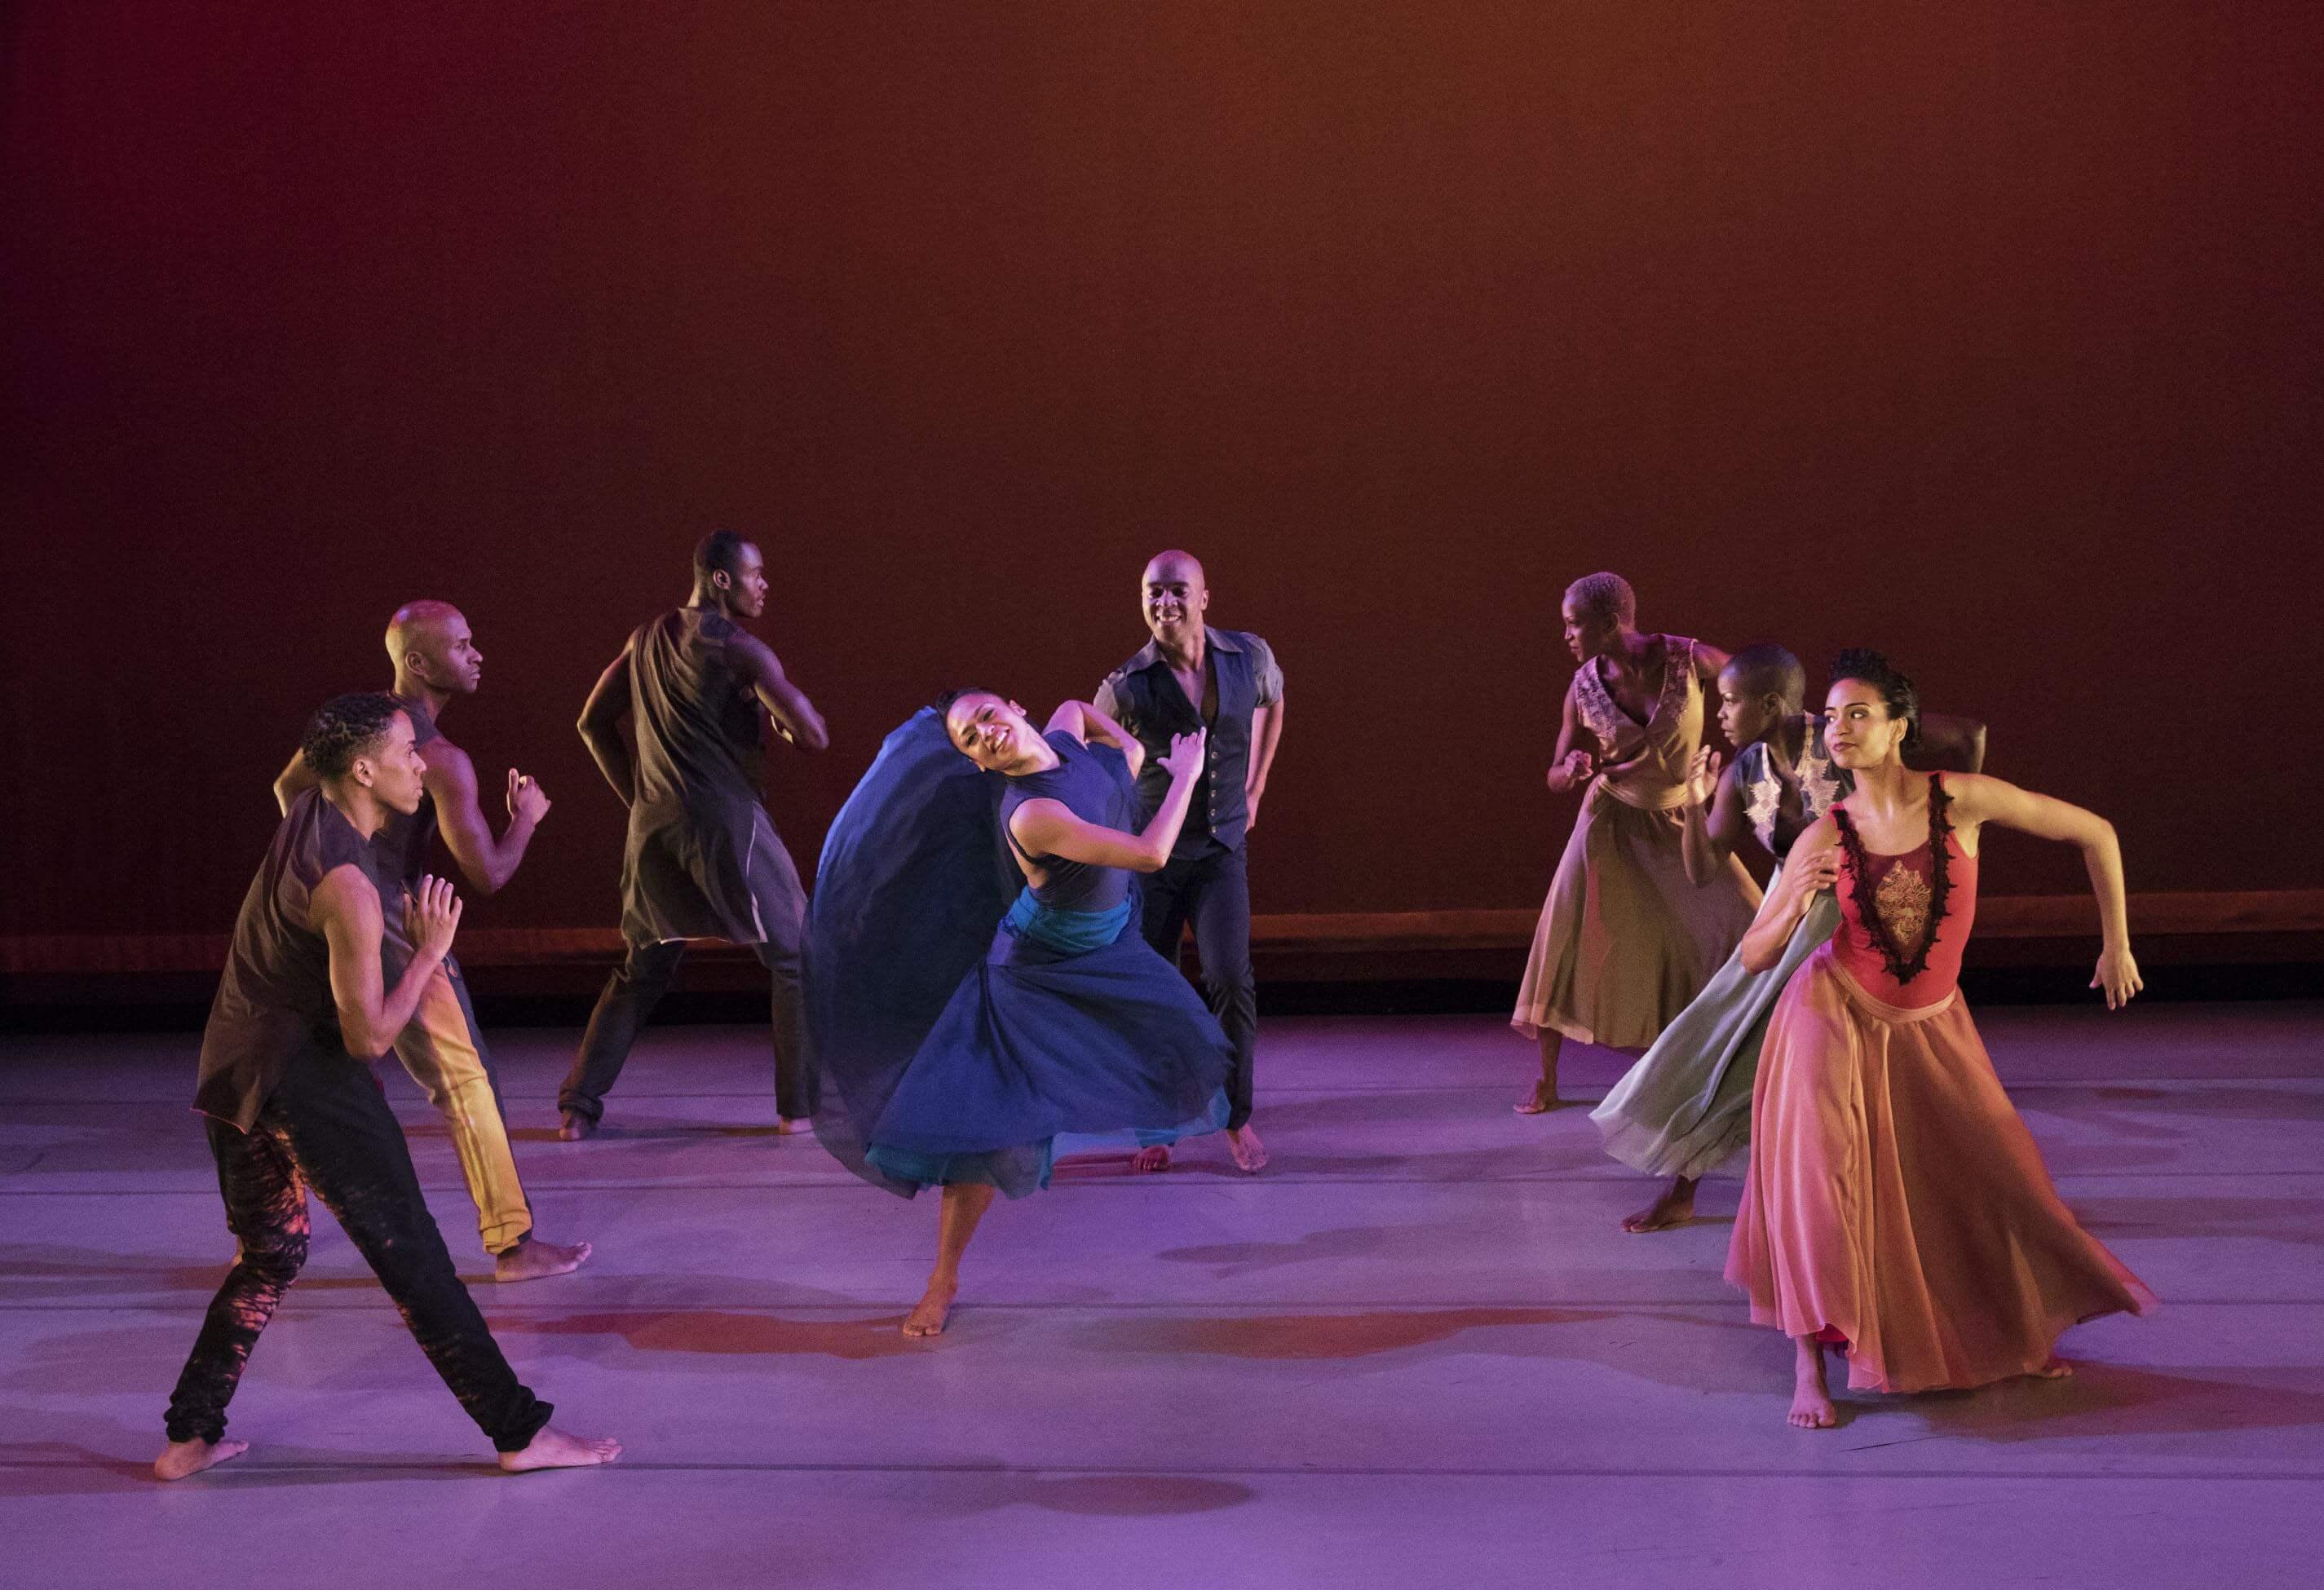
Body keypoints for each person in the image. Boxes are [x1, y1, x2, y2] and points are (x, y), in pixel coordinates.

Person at [160, 693, 618, 1480]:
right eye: (409, 753)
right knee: (418, 1266)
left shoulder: (309, 803)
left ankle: (188, 1435)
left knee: (269, 1255)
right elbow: (370, 1037)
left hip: (231, 1071)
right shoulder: (349, 888)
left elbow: (304, 763)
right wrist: (434, 951)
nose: (423, 764)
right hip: (305, 1087)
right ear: (363, 771)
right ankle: (519, 1433)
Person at [1725, 651, 2154, 1429]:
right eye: (1831, 716)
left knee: (1990, 1179)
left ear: (1899, 728)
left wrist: (2116, 943)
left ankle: (2015, 1333)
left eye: (1859, 714)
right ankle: (1808, 1365)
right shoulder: (1824, 830)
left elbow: (2097, 833)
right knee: (1821, 1188)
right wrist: (1790, 909)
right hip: (1830, 1017)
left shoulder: (1961, 802)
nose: (1840, 729)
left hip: (1930, 1026)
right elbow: (1754, 954)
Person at [806, 691, 1230, 1338]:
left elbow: (1092, 721)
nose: (987, 734)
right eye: (971, 740)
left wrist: (1138, 751)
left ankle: (1145, 1136)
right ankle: (942, 1279)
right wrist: (1188, 776)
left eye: (987, 716)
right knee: (991, 1135)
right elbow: (1149, 855)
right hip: (1036, 969)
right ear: (976, 763)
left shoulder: (1063, 735)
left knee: (1177, 1039)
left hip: (1108, 943)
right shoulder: (1031, 812)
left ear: (1014, 707)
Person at [1593, 644, 1986, 1232]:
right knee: (1720, 1037)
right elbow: (1703, 870)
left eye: (1729, 702)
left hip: (1860, 917)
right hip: (1787, 915)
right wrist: (1695, 807)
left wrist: (1941, 842)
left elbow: (1968, 736)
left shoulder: (1841, 735)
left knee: (1869, 1061)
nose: (1719, 713)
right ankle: (1683, 1185)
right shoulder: (1743, 771)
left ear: (1771, 704)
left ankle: (1916, 1196)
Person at [272, 601, 587, 1280]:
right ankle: (514, 1246)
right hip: (392, 915)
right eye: (463, 645)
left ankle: (259, 1237)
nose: (477, 655)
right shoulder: (440, 759)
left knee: (292, 1066)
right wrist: (526, 819)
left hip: (318, 905)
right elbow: (489, 874)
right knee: (466, 1078)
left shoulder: (358, 725)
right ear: (418, 662)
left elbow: (288, 785)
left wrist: (327, 860)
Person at [561, 532, 828, 1138]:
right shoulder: (739, 648)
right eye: (756, 574)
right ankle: (798, 1111)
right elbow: (814, 735)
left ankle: (576, 1108)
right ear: (722, 579)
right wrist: (781, 716)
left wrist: (638, 799)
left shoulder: (645, 637)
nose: (765, 585)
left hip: (652, 829)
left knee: (643, 969)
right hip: (726, 824)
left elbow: (590, 722)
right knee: (797, 956)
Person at [1513, 572, 1759, 1111]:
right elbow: (1553, 773)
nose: (1567, 636)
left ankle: (1760, 1054)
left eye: (1574, 624)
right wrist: (1571, 768)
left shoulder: (1688, 659)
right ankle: (1547, 1080)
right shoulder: (1581, 687)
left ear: (1608, 623)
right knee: (1566, 933)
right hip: (1610, 821)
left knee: (1750, 917)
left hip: (1679, 817)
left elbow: (1754, 684)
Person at [1094, 550, 1284, 1173]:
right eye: (1153, 593)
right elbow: (1090, 745)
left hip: (1221, 849)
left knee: (1230, 977)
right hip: (1152, 860)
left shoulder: (1248, 656)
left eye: (1177, 591)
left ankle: (1235, 1116)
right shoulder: (1126, 684)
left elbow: (1274, 702)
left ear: (1204, 597)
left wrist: (1254, 788)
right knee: (1155, 992)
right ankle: (1159, 1122)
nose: (1164, 604)